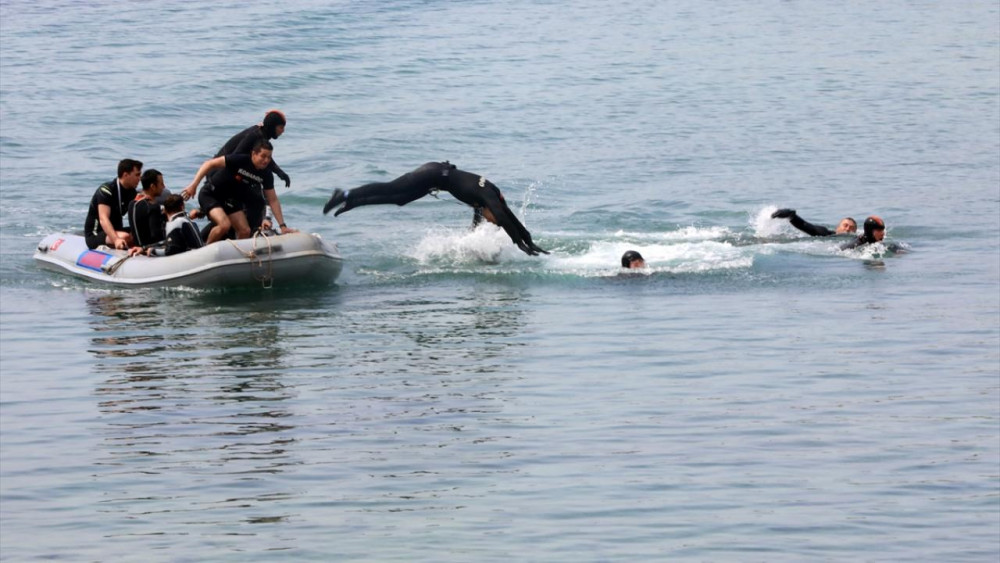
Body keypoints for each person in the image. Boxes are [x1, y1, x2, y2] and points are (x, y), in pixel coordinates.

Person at [323, 161, 548, 256]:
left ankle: (355, 202)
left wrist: (529, 241)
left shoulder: (489, 201)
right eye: (492, 219)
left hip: (436, 179)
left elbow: (508, 216)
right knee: (392, 188)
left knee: (400, 200)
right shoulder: (488, 197)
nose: (490, 221)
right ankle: (344, 194)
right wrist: (519, 245)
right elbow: (502, 216)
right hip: (433, 173)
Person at [180, 139, 296, 244]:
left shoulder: (266, 174)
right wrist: (194, 185)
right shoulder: (240, 160)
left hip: (230, 201)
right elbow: (209, 164)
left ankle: (238, 256)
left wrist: (282, 226)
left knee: (245, 231)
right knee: (224, 225)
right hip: (211, 194)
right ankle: (205, 252)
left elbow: (273, 200)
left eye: (269, 157)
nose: (266, 160)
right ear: (254, 154)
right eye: (263, 156)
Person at [84, 158, 142, 250]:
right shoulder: (106, 190)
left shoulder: (131, 192)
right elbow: (103, 219)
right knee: (125, 237)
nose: (140, 178)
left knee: (142, 232)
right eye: (137, 175)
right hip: (96, 233)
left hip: (116, 229)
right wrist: (116, 240)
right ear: (125, 175)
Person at [130, 195, 204, 256]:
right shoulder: (188, 221)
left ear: (165, 210)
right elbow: (167, 242)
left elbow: (172, 250)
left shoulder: (174, 224)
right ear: (182, 206)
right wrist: (144, 248)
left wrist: (152, 251)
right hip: (199, 254)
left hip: (191, 259)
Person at [128, 169, 167, 250]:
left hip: (138, 246)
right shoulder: (153, 206)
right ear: (153, 186)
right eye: (161, 184)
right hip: (149, 250)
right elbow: (157, 236)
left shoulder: (132, 203)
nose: (164, 186)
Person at [771, 208, 856, 236]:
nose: (848, 229)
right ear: (838, 227)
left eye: (852, 228)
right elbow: (806, 226)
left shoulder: (857, 238)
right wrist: (791, 216)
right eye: (845, 225)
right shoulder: (826, 233)